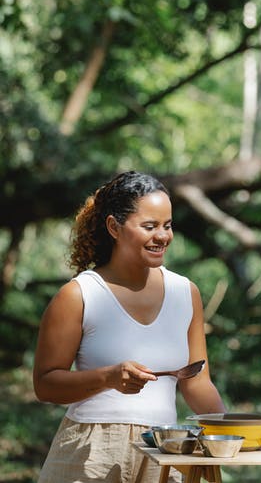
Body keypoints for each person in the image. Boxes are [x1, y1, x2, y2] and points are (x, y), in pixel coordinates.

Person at [33, 170, 226, 483]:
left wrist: (235, 430)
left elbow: (197, 382)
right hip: (91, 452)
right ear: (114, 227)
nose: (163, 236)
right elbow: (45, 384)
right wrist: (108, 377)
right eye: (149, 226)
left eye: (168, 225)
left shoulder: (185, 293)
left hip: (166, 451)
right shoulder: (79, 294)